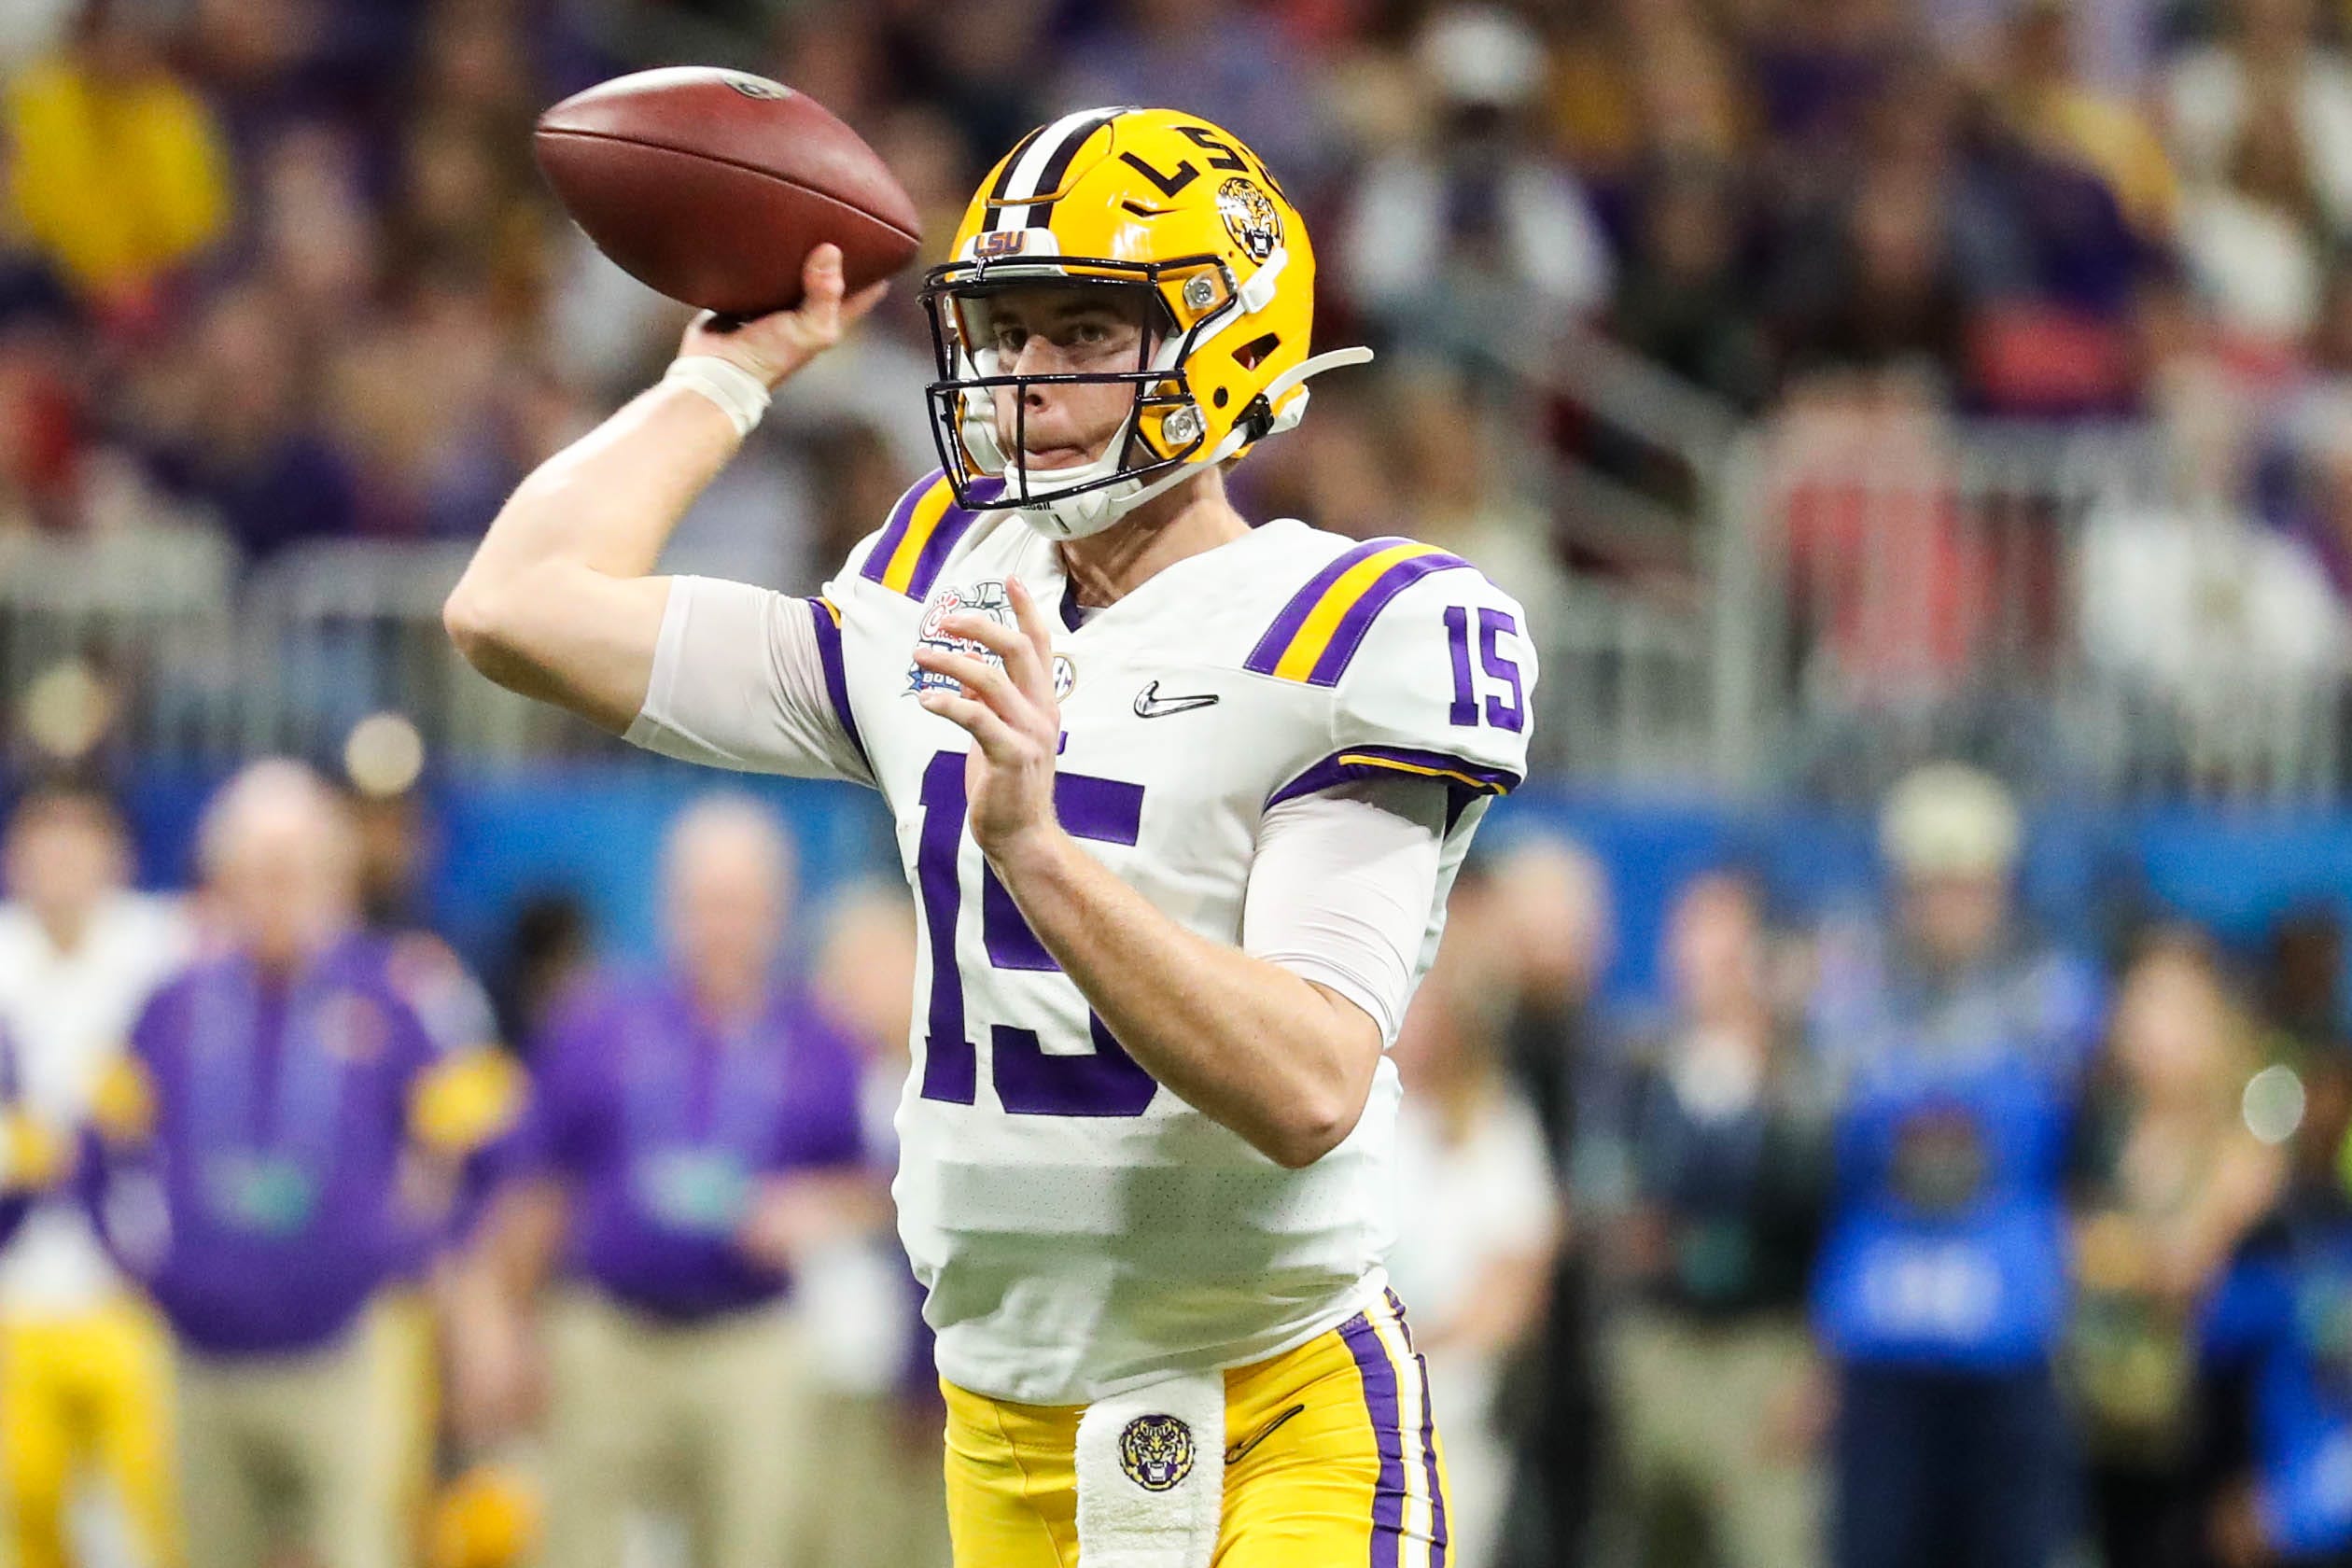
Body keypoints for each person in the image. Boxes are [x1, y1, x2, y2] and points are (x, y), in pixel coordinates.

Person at [444, 105, 1537, 1567]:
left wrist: (1036, 849)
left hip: (1273, 1402)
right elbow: (512, 608)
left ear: (1228, 344)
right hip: (1004, 1422)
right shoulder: (940, 579)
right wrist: (722, 377)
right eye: (1007, 336)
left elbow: (1312, 1085)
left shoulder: (1356, 630)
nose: (1027, 382)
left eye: (1085, 335)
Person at [77, 761, 513, 1568]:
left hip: (345, 1354)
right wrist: (136, 1262)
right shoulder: (171, 1004)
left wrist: (416, 1251)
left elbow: (487, 1146)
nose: (274, 894)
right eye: (255, 873)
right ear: (222, 881)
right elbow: (93, 1146)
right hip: (201, 1360)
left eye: (294, 872)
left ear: (335, 877)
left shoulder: (395, 995)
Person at [450, 794, 870, 1568]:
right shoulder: (599, 1025)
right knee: (575, 1542)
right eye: (706, 902)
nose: (723, 925)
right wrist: (498, 1322)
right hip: (608, 1335)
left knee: (761, 1544)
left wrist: (823, 1208)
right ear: (669, 906)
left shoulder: (823, 1045)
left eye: (742, 904)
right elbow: (534, 1185)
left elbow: (876, 1187)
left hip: (752, 1343)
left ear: (780, 911)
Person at [1807, 763, 2106, 1568]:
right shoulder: (1843, 1005)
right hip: (1881, 1345)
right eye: (1929, 882)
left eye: (1965, 883)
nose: (1947, 905)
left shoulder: (2059, 1003)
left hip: (2007, 1346)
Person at [1593, 871, 1832, 1568]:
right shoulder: (1640, 1069)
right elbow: (1609, 1198)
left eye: (1726, 944)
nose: (1705, 963)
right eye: (1692, 939)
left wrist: (1824, 1365)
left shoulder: (1808, 1080)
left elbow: (1832, 1219)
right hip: (1663, 1341)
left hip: (1766, 1349)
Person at [0, 782, 193, 1568]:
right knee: (26, 1507)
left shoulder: (172, 948)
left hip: (137, 1281)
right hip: (16, 1280)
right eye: (44, 838)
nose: (62, 859)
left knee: (157, 1513)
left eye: (82, 839)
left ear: (120, 858)